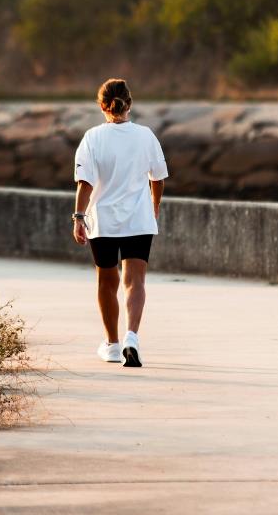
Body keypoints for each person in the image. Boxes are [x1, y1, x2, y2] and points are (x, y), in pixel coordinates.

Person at [71, 78, 168, 368]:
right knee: (134, 281)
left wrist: (78, 217)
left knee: (106, 280)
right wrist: (154, 205)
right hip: (139, 218)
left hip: (103, 219)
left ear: (102, 106)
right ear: (130, 104)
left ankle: (112, 345)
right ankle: (132, 338)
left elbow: (85, 184)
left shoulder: (92, 137)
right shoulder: (145, 135)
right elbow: (158, 178)